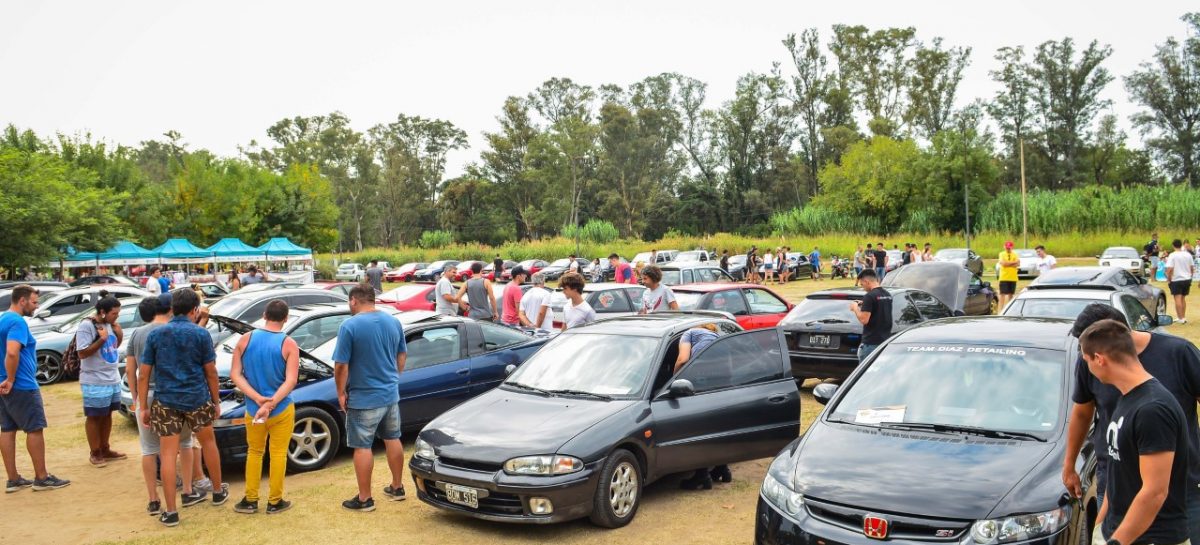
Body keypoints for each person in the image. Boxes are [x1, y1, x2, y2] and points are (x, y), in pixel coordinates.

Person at [1063, 303, 1200, 545]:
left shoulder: (1153, 406)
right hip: (1117, 505)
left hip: (1165, 517)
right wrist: (1100, 527)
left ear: (1100, 357)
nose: (1084, 367)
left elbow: (1155, 491)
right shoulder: (1126, 397)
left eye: (1086, 359)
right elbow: (1112, 461)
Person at [138, 288, 227, 527]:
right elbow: (211, 371)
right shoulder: (200, 334)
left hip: (166, 400)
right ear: (194, 310)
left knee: (167, 454)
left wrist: (143, 405)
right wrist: (216, 401)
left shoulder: (156, 335)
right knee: (208, 443)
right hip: (197, 397)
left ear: (172, 308)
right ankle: (218, 491)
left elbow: (143, 375)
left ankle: (171, 511)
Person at [333, 284, 408, 512]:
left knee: (362, 446)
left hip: (364, 398)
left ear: (354, 300)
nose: (349, 305)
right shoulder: (393, 321)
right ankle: (397, 487)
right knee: (393, 438)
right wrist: (394, 378)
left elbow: (341, 366)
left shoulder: (349, 326)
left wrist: (340, 392)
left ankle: (365, 499)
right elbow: (402, 354)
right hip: (390, 394)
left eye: (349, 302)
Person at [127, 294, 197, 516]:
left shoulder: (138, 333)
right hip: (173, 394)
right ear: (171, 309)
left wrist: (136, 398)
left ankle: (153, 499)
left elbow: (132, 369)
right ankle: (187, 490)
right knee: (185, 443)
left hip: (146, 395)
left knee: (149, 449)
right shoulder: (174, 331)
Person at [230, 299, 300, 515]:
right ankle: (275, 501)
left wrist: (257, 398)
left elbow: (235, 374)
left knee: (255, 452)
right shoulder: (289, 344)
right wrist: (271, 403)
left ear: (264, 315)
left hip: (253, 409)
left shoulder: (245, 339)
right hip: (281, 408)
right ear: (286, 318)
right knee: (278, 454)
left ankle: (250, 499)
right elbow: (291, 381)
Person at [0, 285, 70, 493]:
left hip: (3, 383)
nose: (36, 306)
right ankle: (42, 477)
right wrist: (12, 379)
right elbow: (13, 352)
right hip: (20, 384)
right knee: (34, 428)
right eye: (34, 302)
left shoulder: (3, 319)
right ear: (22, 301)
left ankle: (13, 479)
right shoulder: (17, 322)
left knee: (7, 428)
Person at [673, 323, 729, 490]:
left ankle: (702, 475)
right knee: (716, 426)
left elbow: (683, 359)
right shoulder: (717, 338)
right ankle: (722, 469)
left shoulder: (689, 333)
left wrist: (674, 377)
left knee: (701, 428)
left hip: (701, 380)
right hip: (721, 381)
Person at [75, 292, 125, 467]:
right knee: (95, 416)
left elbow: (112, 347)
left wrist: (119, 335)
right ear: (103, 312)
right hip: (94, 379)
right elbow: (82, 353)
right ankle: (95, 452)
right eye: (114, 313)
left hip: (112, 377)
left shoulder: (110, 324)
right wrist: (101, 339)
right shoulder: (87, 326)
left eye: (118, 313)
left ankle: (105, 448)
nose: (116, 317)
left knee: (108, 414)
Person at [849, 269, 892, 362]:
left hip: (871, 343)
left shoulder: (869, 296)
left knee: (866, 374)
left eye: (862, 284)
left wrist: (855, 308)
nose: (862, 287)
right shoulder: (887, 294)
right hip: (884, 341)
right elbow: (879, 306)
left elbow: (864, 320)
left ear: (866, 281)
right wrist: (865, 304)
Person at [1166, 239, 1194, 324]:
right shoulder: (1187, 254)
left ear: (1173, 245)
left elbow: (1170, 269)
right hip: (1187, 279)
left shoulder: (1172, 255)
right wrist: (1190, 276)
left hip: (1177, 279)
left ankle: (1180, 318)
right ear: (1181, 244)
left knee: (1177, 298)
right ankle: (1182, 317)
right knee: (1182, 298)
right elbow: (1192, 267)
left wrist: (1169, 278)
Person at [997, 241, 1020, 312]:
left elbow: (1018, 264)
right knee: (1002, 294)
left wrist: (1008, 264)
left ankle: (1009, 310)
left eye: (1009, 248)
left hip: (1013, 277)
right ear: (1004, 247)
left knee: (1011, 294)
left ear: (1012, 247)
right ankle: (1000, 310)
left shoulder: (1015, 254)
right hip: (1004, 277)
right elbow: (1003, 264)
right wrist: (1013, 263)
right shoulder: (1001, 254)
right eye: (1007, 248)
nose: (1008, 249)